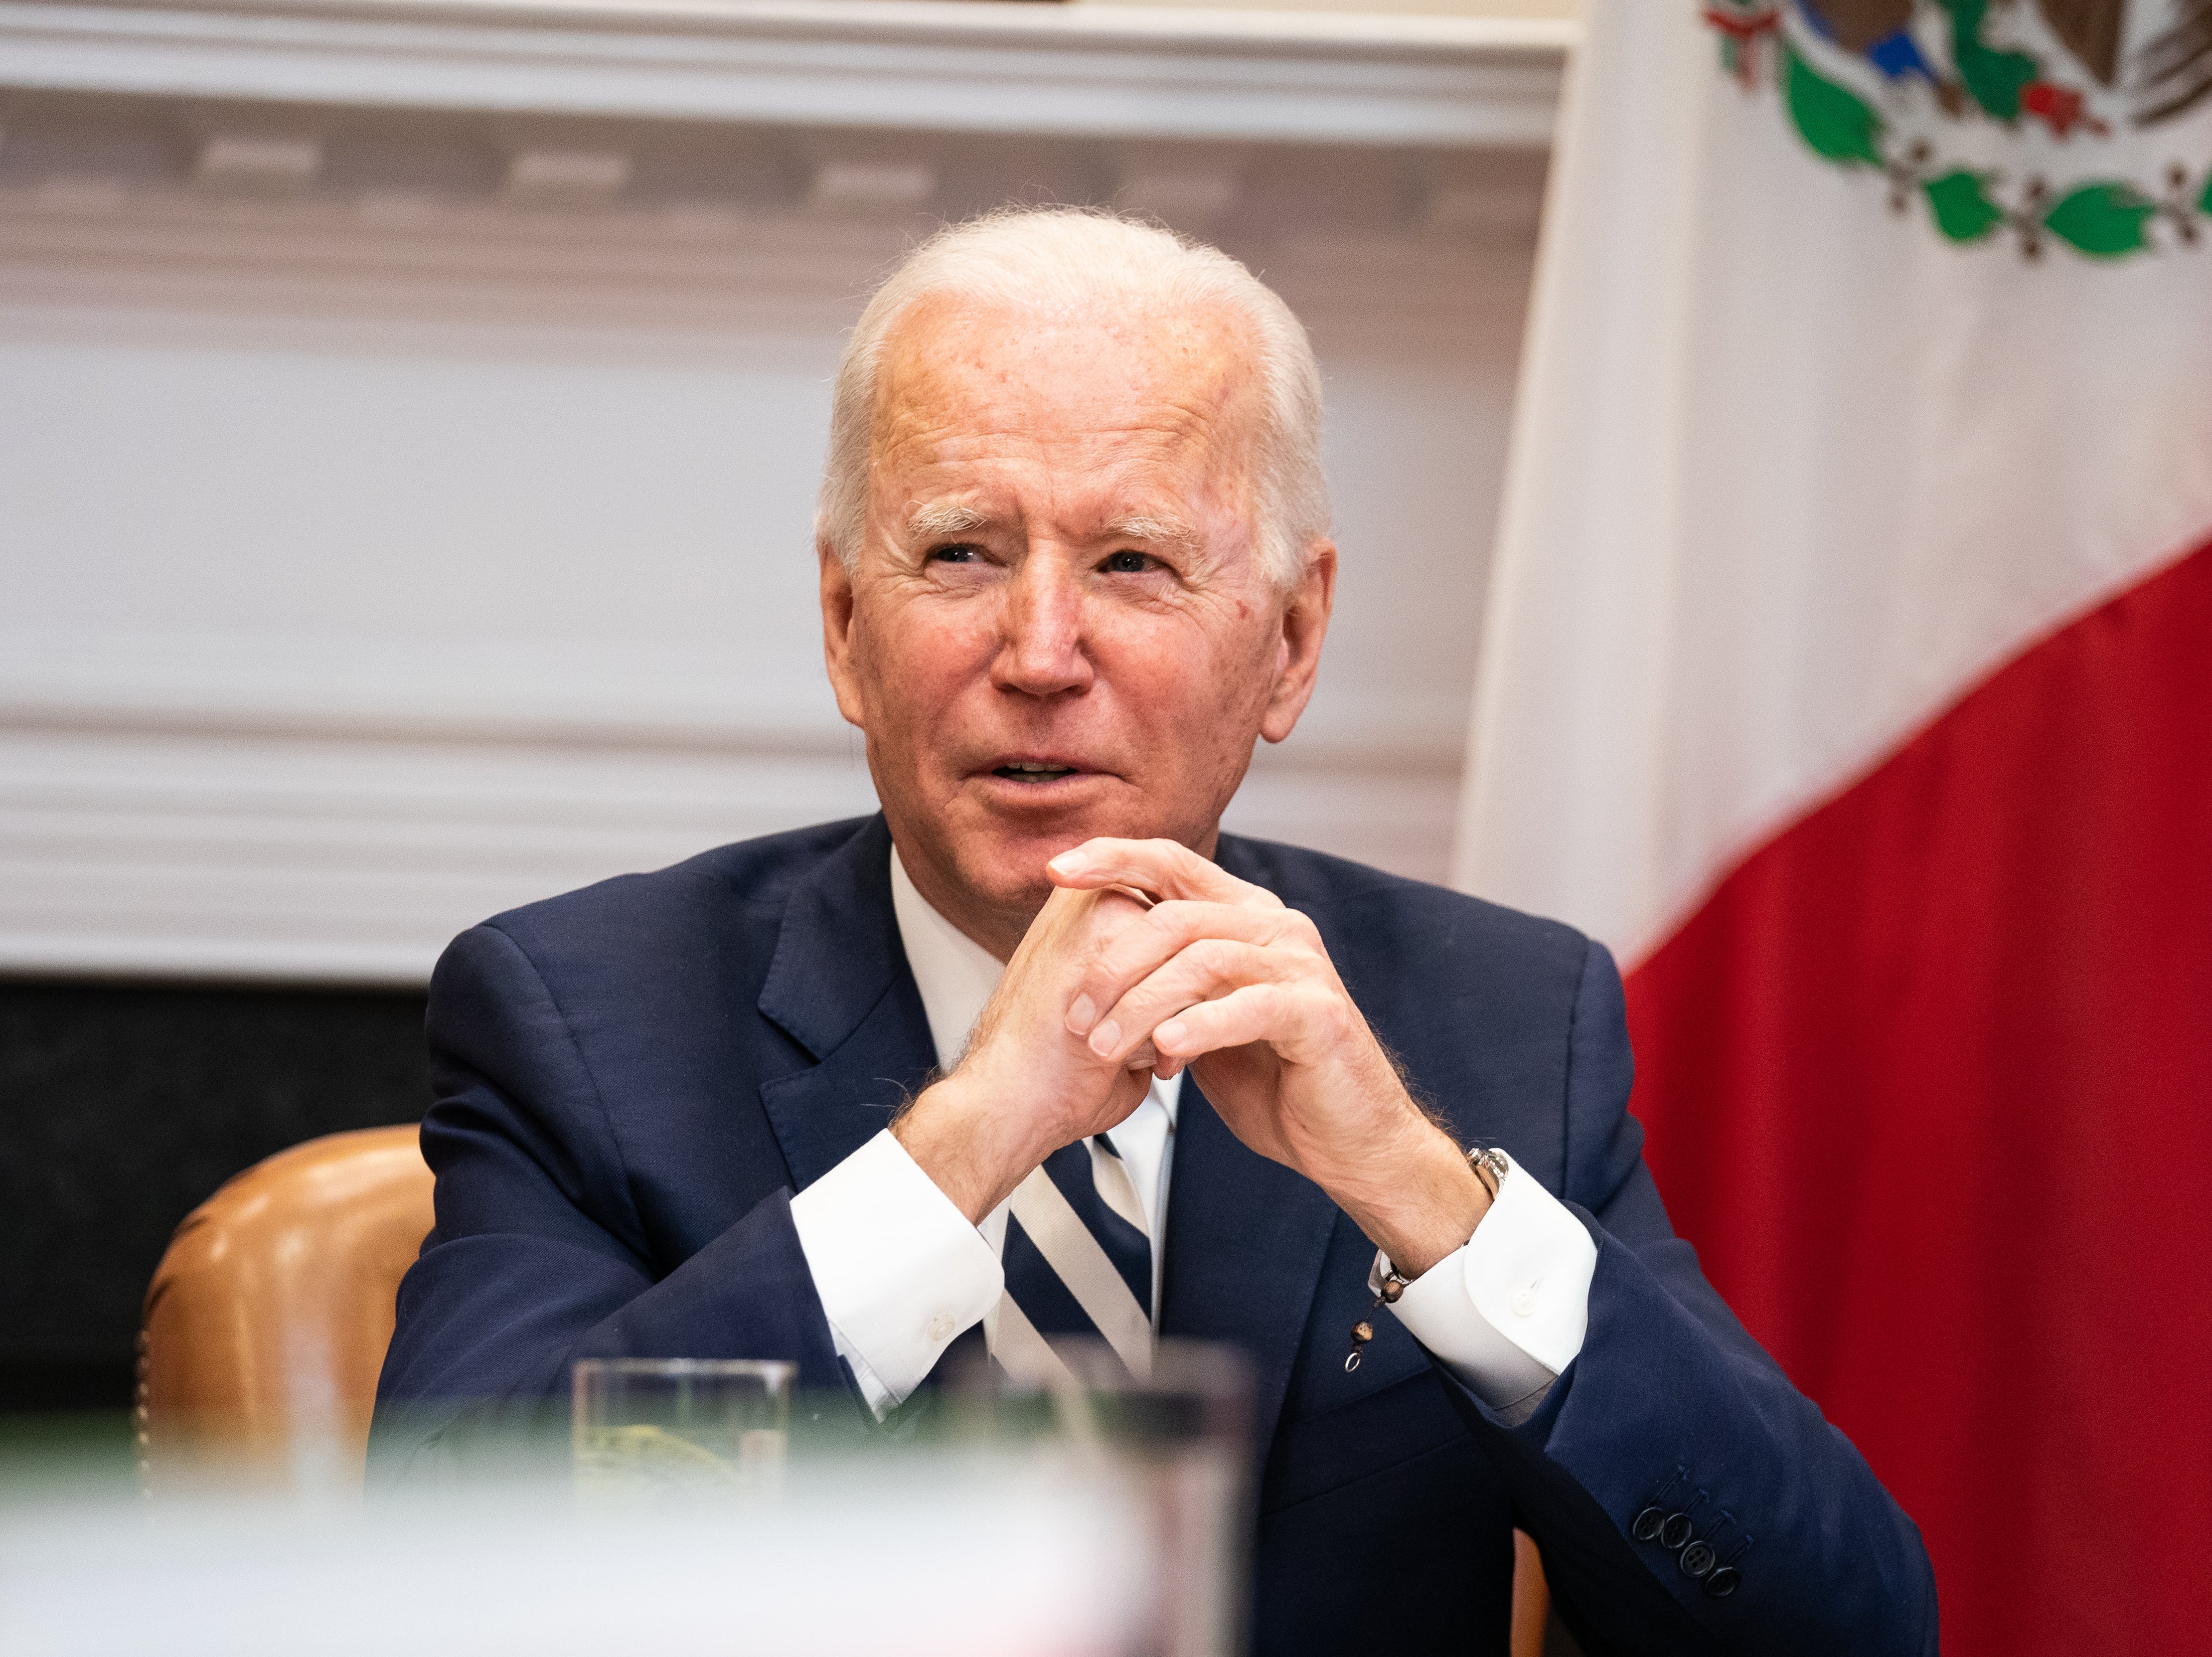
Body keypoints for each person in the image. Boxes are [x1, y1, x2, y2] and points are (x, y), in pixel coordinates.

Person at [373, 208, 1936, 1654]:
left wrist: (1422, 1197)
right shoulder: (586, 1018)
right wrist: (963, 1147)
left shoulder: (1502, 1023)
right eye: (963, 553)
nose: (1041, 653)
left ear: (1292, 641)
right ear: (846, 626)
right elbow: (449, 1588)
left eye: (1132, 562)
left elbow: (1841, 1626)